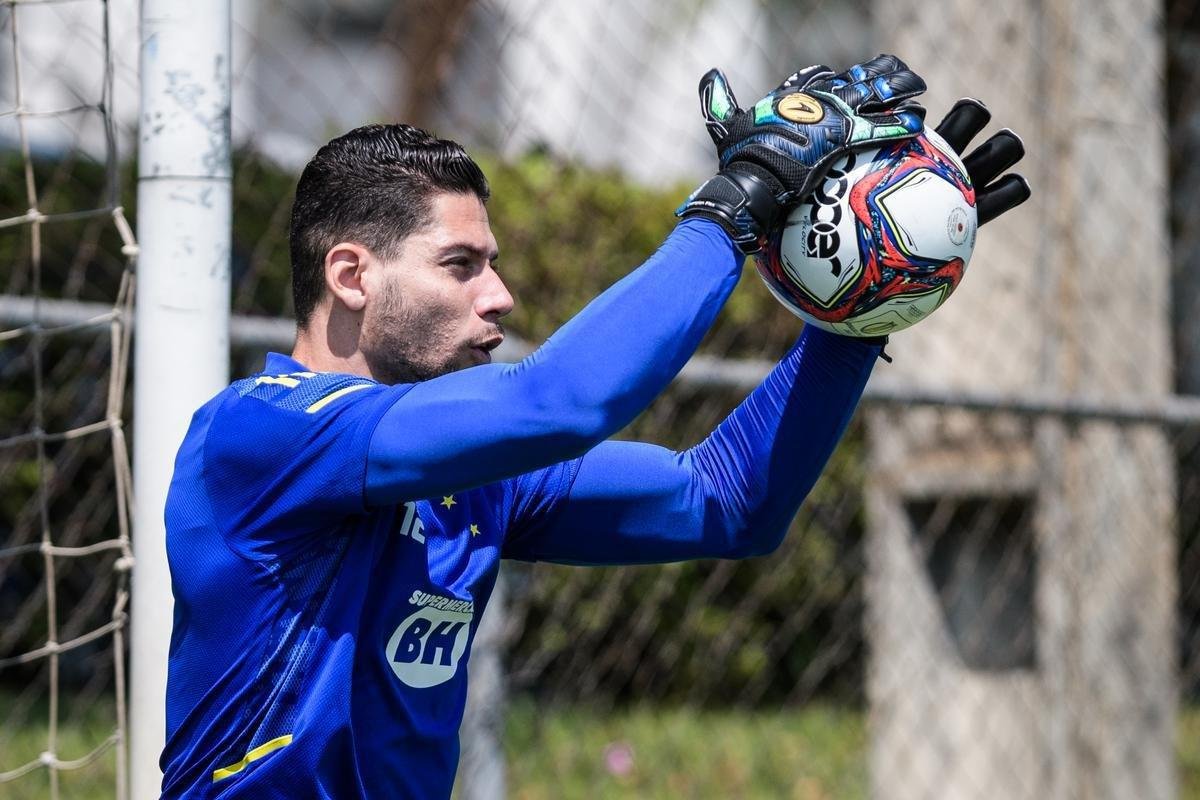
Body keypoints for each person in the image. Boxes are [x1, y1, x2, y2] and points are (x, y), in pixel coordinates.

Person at [158, 55, 1029, 798]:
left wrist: (862, 299)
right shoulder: (262, 436)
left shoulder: (477, 482)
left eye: (492, 265)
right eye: (460, 265)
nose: (497, 295)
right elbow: (565, 401)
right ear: (351, 275)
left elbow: (726, 502)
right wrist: (740, 198)